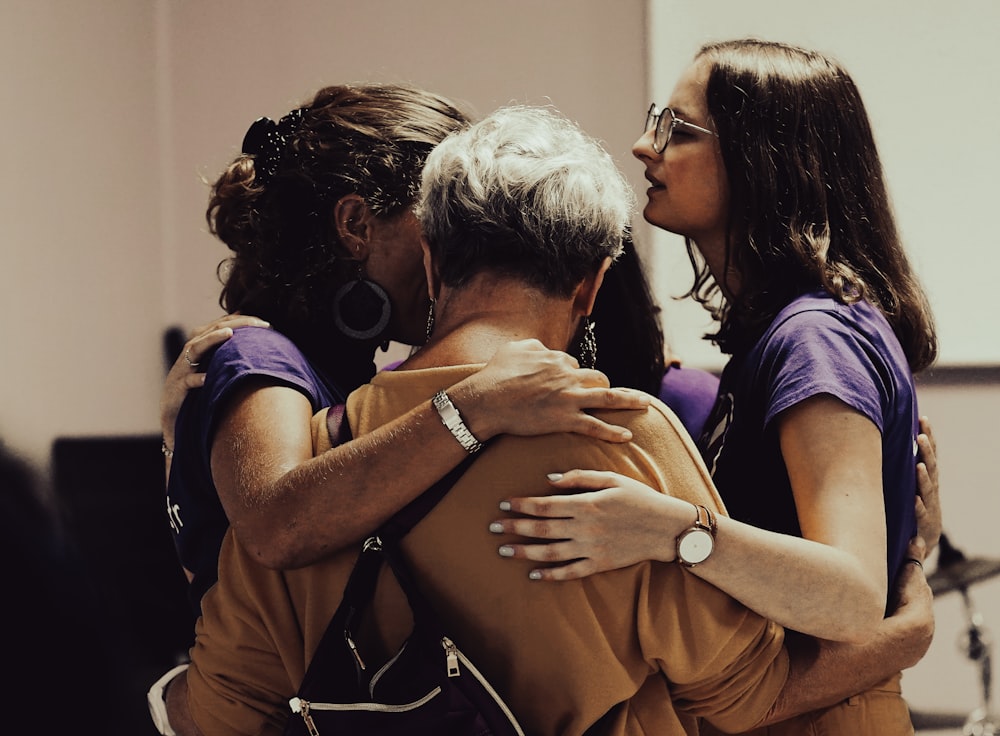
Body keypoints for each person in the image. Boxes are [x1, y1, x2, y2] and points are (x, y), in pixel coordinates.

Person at [492, 39, 940, 734]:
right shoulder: (788, 333)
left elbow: (850, 595)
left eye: (677, 130)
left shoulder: (813, 338)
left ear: (764, 159)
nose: (644, 146)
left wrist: (669, 531)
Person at [161, 83, 652, 614]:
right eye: (440, 221)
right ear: (355, 225)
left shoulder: (338, 365)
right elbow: (277, 528)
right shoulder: (259, 357)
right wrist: (478, 405)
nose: (452, 250)